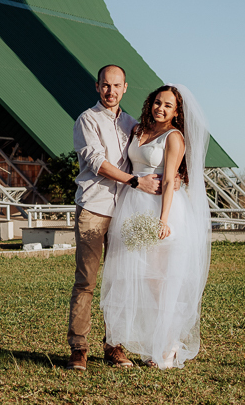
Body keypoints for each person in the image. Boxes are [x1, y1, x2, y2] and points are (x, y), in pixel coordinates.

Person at [101, 84, 212, 369]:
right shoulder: (139, 130)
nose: (160, 109)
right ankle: (146, 344)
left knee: (159, 282)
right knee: (134, 278)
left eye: (167, 106)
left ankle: (168, 344)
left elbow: (171, 182)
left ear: (177, 113)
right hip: (132, 205)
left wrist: (163, 221)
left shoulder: (174, 138)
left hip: (160, 210)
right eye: (157, 103)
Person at [66, 65, 163, 371]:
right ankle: (79, 348)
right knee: (87, 281)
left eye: (116, 86)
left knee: (120, 280)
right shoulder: (87, 120)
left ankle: (114, 346)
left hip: (124, 212)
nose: (111, 91)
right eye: (105, 85)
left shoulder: (134, 125)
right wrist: (134, 181)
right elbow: (97, 162)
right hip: (94, 208)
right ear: (97, 87)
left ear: (125, 88)